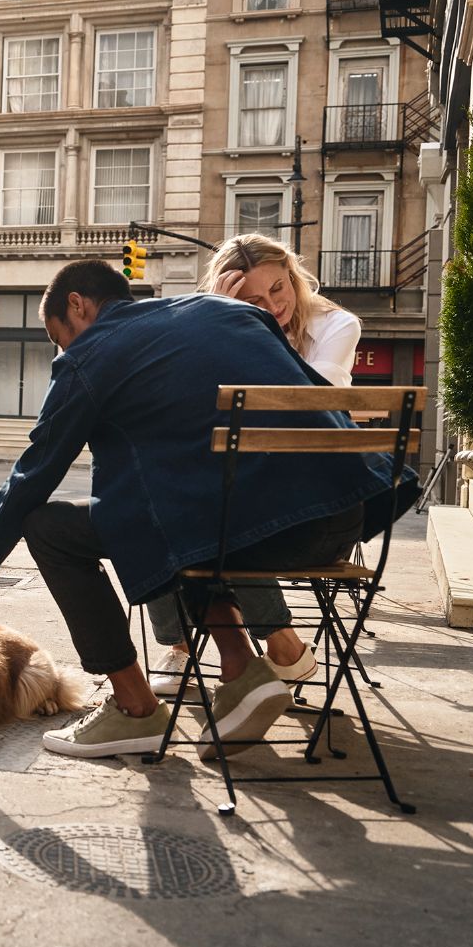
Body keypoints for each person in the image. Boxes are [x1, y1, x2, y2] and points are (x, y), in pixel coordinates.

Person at [0, 258, 410, 759]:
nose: (63, 354)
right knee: (168, 498)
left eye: (59, 338)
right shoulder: (228, 311)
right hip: (343, 518)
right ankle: (242, 671)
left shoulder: (92, 357)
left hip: (249, 535)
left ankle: (135, 707)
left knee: (50, 524)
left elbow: (26, 484)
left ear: (78, 305)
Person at [142, 233, 364, 693]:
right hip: (244, 491)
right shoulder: (225, 325)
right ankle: (208, 644)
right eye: (253, 300)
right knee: (157, 498)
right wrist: (215, 321)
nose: (272, 305)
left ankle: (251, 645)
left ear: (292, 275)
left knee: (214, 504)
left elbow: (306, 402)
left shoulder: (337, 326)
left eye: (278, 289)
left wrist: (240, 331)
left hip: (315, 503)